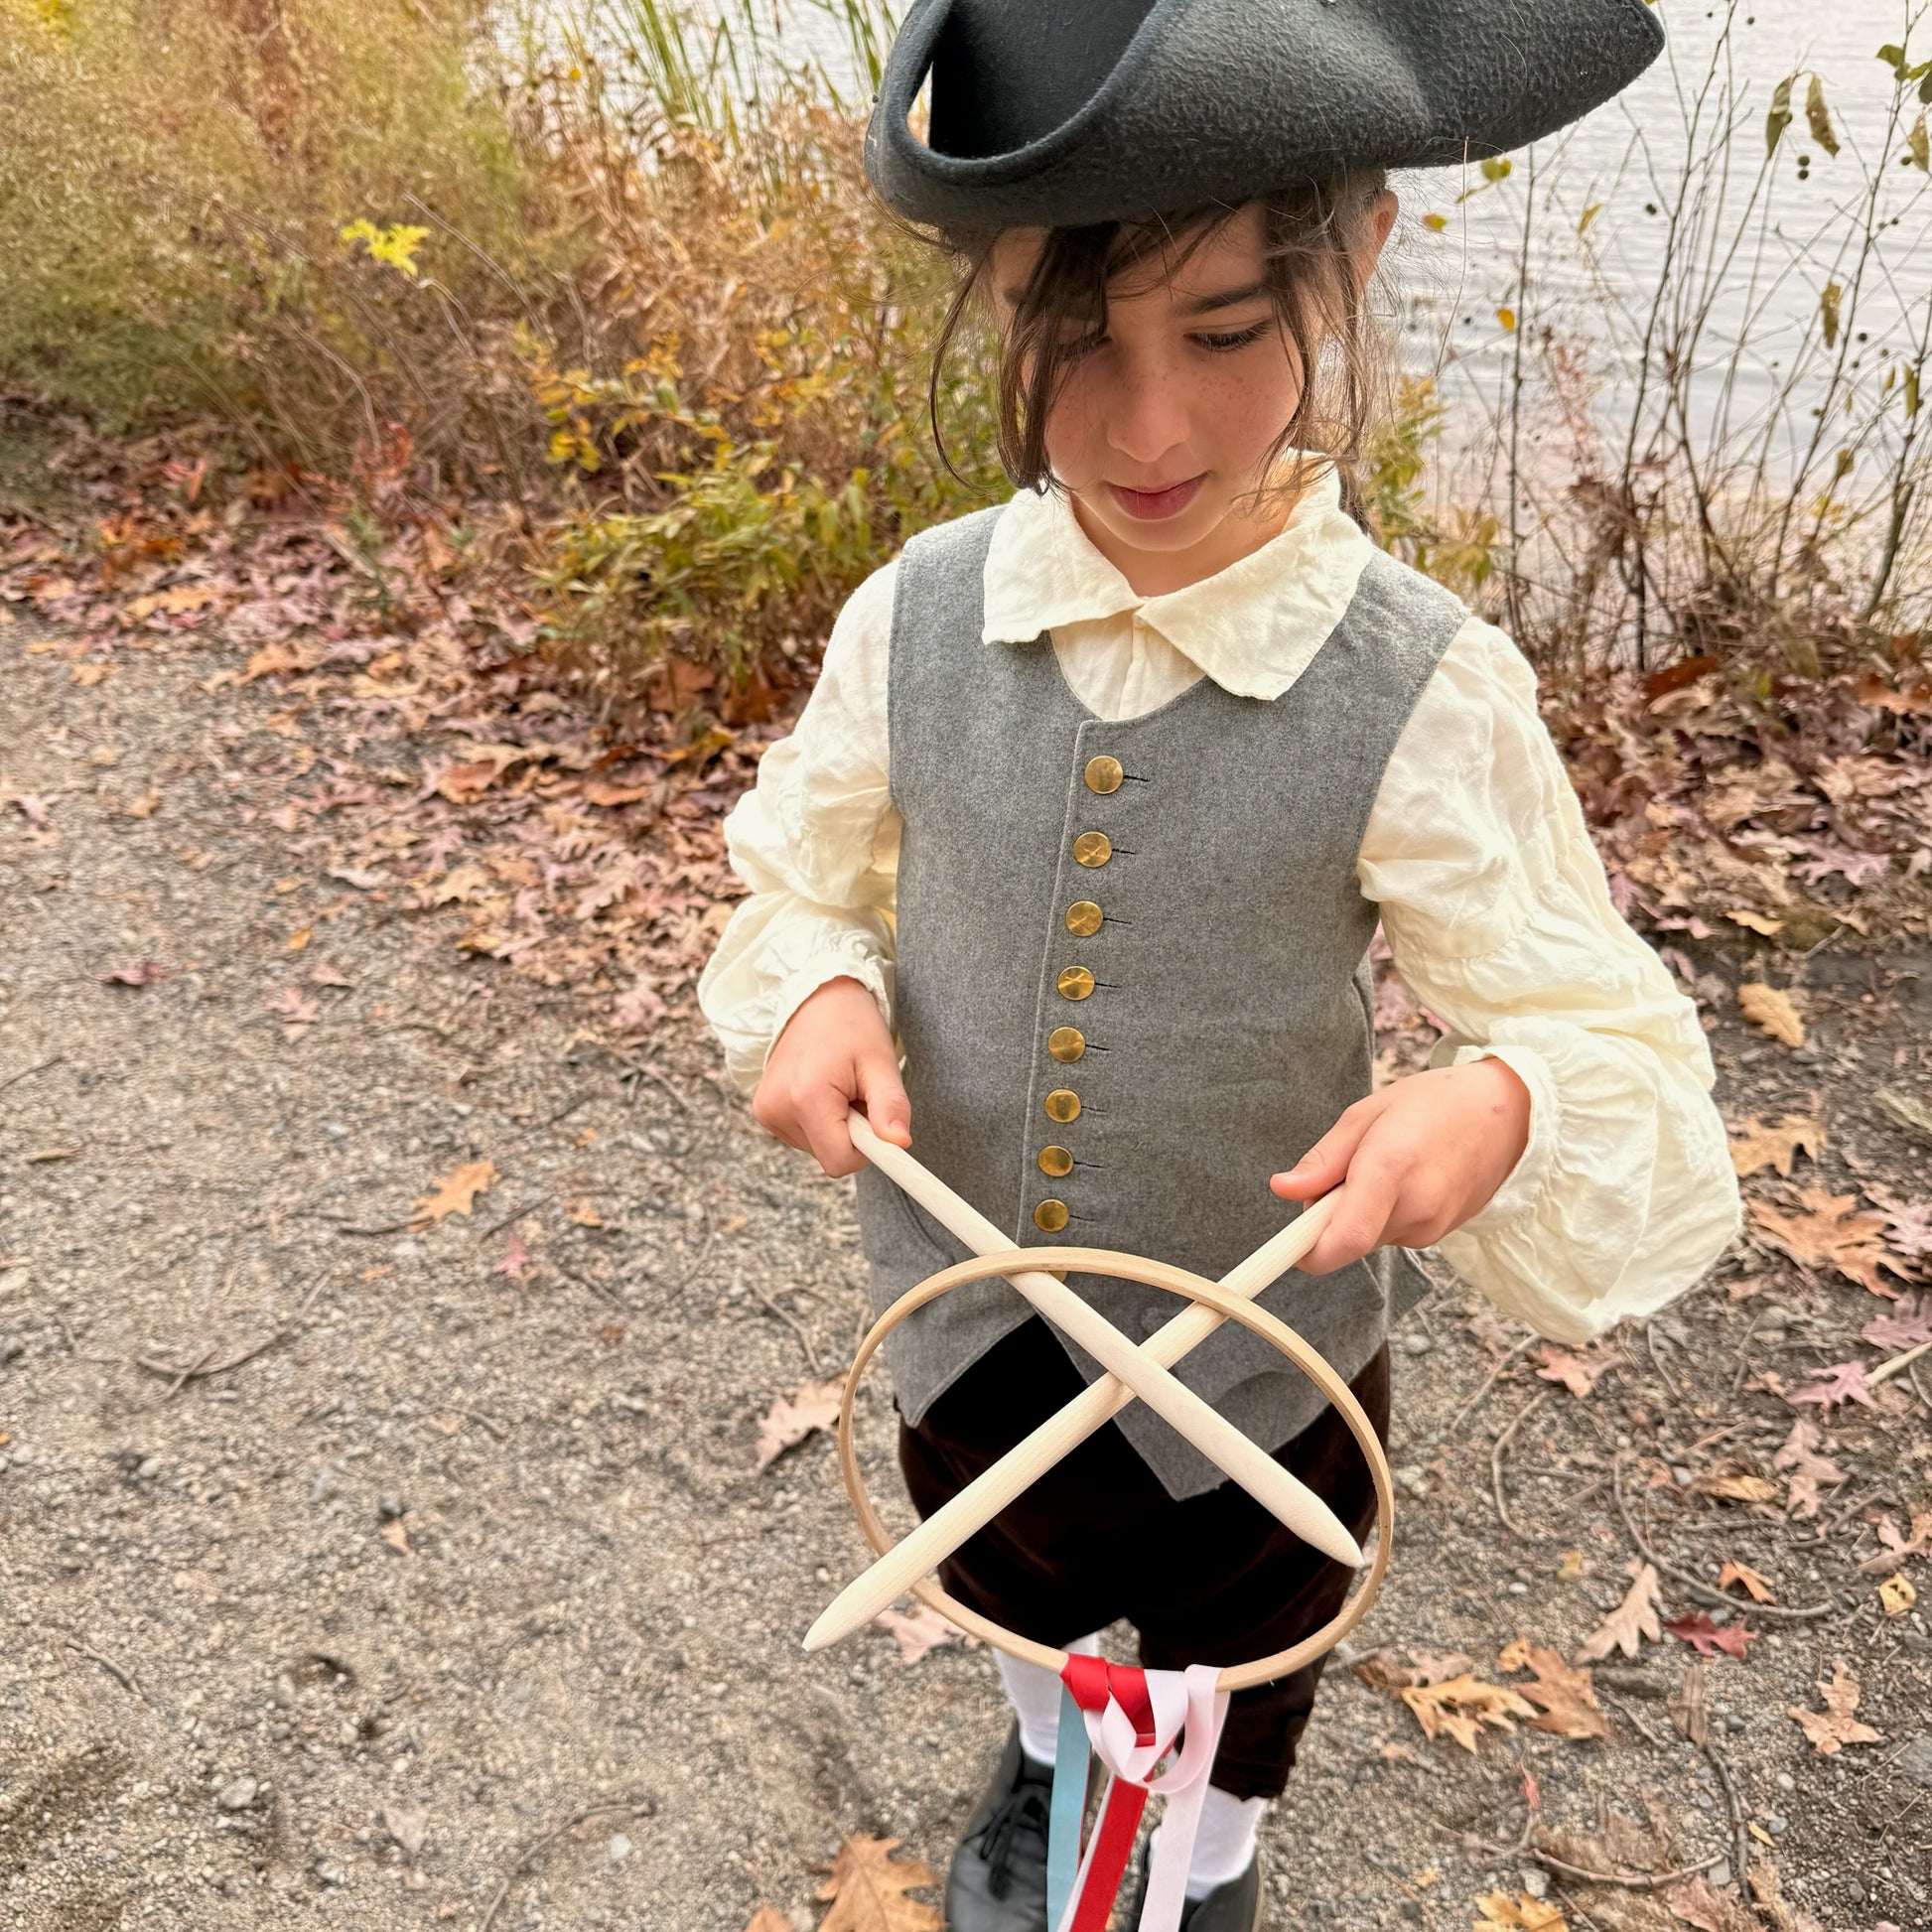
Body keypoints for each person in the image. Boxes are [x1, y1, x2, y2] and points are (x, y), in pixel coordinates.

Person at [699, 3, 1740, 1926]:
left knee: (1238, 1643)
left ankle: (1207, 1858)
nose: (1145, 426)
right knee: (1003, 1564)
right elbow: (797, 880)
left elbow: (1597, 1028)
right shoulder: (912, 619)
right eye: (1069, 335)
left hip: (1260, 1376)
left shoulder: (1417, 687)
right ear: (988, 288)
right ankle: (1044, 1761)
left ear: (1350, 264)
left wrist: (1500, 1098)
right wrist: (819, 986)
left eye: (1225, 331)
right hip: (961, 1320)